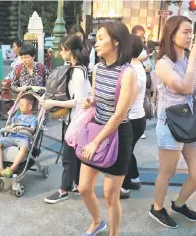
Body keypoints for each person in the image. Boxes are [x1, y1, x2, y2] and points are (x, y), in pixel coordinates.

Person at [149, 16, 196, 228]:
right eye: (185, 32)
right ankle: (157, 208)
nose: (189, 36)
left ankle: (179, 204)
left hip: (192, 121)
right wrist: (193, 59)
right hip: (171, 123)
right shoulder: (162, 64)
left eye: (190, 32)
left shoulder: (190, 59)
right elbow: (185, 87)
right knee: (167, 173)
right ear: (172, 35)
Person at [79, 22, 137, 236]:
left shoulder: (128, 73)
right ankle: (97, 222)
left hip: (118, 136)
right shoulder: (98, 68)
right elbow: (97, 97)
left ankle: (114, 233)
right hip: (96, 130)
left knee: (110, 195)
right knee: (84, 187)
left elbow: (120, 114)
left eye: (101, 37)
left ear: (116, 41)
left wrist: (96, 142)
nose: (96, 42)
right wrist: (90, 101)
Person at [41, 35, 92, 204]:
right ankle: (76, 184)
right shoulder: (79, 68)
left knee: (68, 157)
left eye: (62, 50)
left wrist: (52, 103)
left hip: (75, 121)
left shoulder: (77, 71)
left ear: (69, 51)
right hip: (76, 120)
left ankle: (63, 189)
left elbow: (77, 101)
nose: (60, 53)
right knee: (74, 156)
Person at [120, 35, 147, 199]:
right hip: (138, 118)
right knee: (128, 151)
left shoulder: (132, 70)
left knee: (124, 153)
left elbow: (128, 98)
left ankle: (124, 187)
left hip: (132, 119)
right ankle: (135, 179)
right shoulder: (138, 66)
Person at [0, 94, 38, 178]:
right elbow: (10, 125)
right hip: (12, 136)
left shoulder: (33, 119)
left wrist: (23, 128)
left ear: (29, 106)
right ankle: (0, 167)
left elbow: (32, 130)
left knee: (25, 146)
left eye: (22, 105)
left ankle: (13, 168)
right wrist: (9, 127)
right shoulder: (16, 116)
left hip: (23, 138)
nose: (20, 107)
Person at [132, 25, 152, 140]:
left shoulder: (144, 48)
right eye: (139, 36)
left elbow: (149, 64)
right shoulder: (129, 50)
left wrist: (148, 67)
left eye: (143, 37)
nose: (141, 39)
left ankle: (142, 128)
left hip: (144, 78)